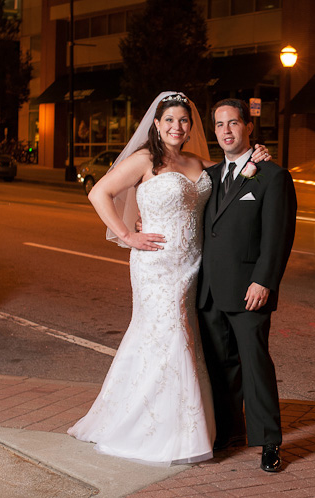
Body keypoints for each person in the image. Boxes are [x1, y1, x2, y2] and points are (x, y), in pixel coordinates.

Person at [67, 91, 270, 465]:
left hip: (195, 265)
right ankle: (162, 431)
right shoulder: (145, 160)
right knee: (168, 334)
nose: (178, 127)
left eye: (184, 121)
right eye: (170, 121)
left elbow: (234, 172)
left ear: (190, 126)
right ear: (157, 125)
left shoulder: (199, 162)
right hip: (156, 264)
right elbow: (100, 193)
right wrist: (128, 236)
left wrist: (256, 157)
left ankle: (196, 425)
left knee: (187, 338)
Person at [197, 98, 297, 472]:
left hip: (248, 291)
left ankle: (268, 441)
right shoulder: (208, 178)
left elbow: (278, 236)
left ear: (248, 127)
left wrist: (264, 281)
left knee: (255, 367)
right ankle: (230, 432)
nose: (226, 130)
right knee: (221, 367)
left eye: (233, 123)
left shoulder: (272, 176)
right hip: (209, 292)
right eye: (219, 124)